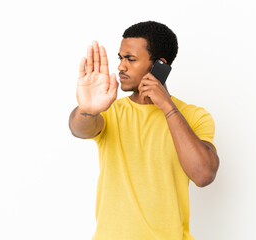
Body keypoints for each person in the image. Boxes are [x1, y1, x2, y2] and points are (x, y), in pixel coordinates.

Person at [69, 21, 219, 240]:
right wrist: (87, 110)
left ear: (159, 64)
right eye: (120, 58)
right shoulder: (112, 112)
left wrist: (167, 107)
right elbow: (79, 129)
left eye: (130, 59)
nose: (121, 66)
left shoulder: (194, 116)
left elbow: (203, 174)